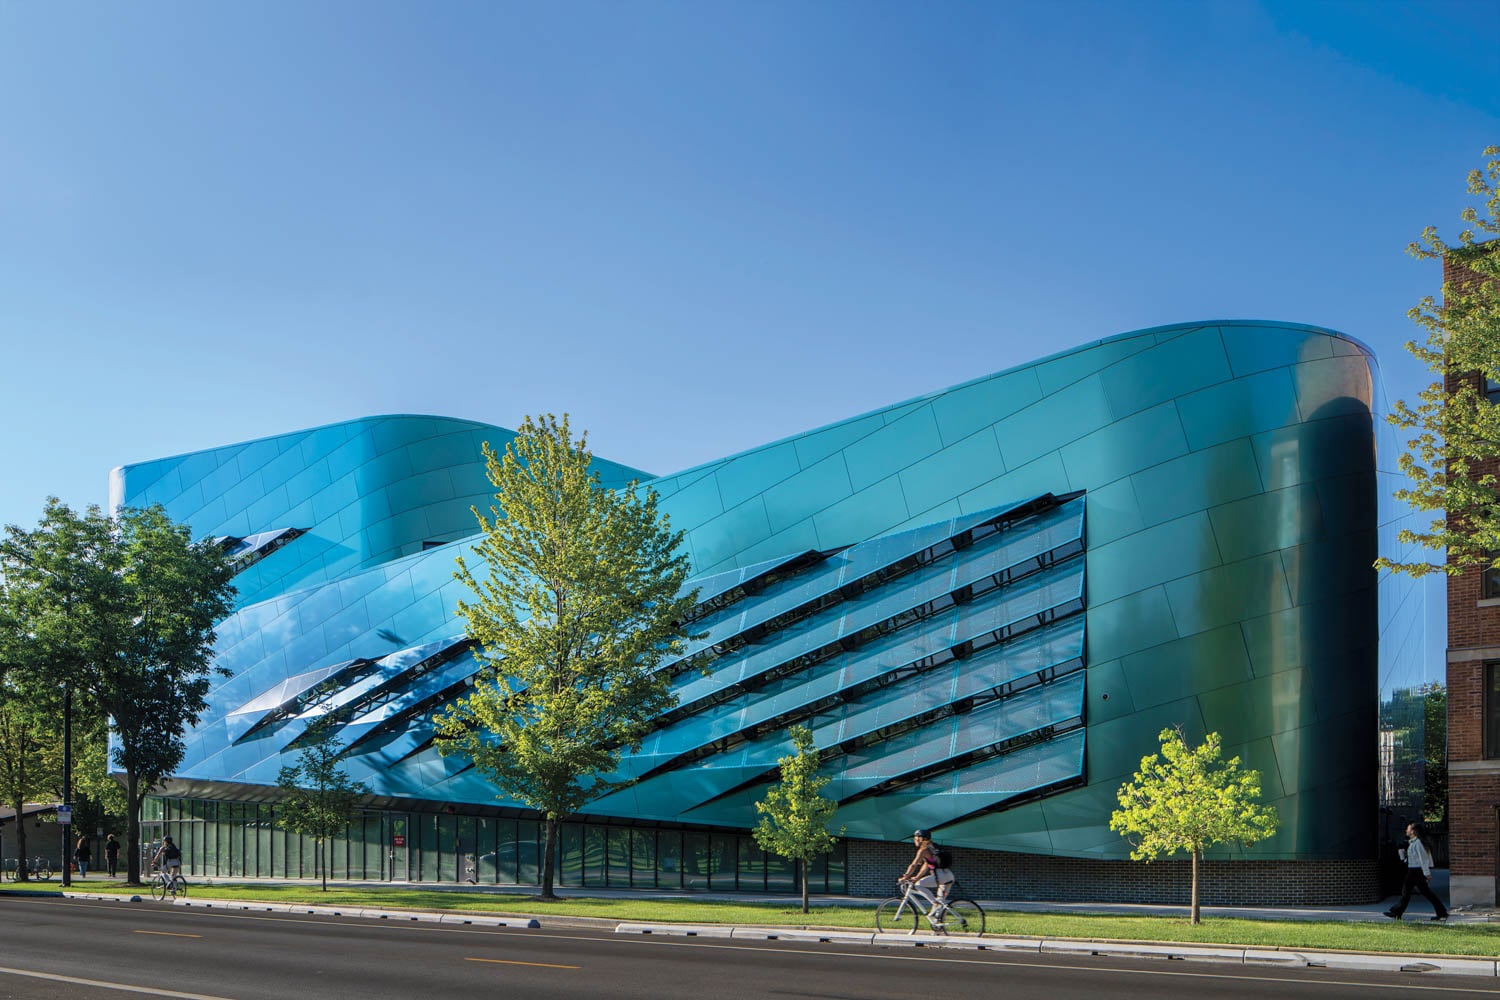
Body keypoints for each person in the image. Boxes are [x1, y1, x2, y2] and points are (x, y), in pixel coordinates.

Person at [1385, 822, 1447, 921]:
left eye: (1408, 829)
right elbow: (1413, 859)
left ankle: (1397, 912)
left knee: (1407, 892)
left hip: (1416, 871)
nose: (1406, 830)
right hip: (1413, 869)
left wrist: (1427, 873)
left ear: (1413, 831)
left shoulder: (1418, 843)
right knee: (1422, 892)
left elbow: (1423, 859)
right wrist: (1403, 857)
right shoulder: (1413, 843)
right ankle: (1442, 912)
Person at [898, 829, 954, 920]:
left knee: (919, 885)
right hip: (948, 876)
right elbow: (926, 866)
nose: (914, 840)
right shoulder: (932, 848)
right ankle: (939, 929)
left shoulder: (923, 850)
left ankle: (934, 902)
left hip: (940, 876)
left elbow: (914, 864)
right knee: (939, 906)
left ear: (921, 838)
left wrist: (905, 876)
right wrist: (917, 877)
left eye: (915, 838)